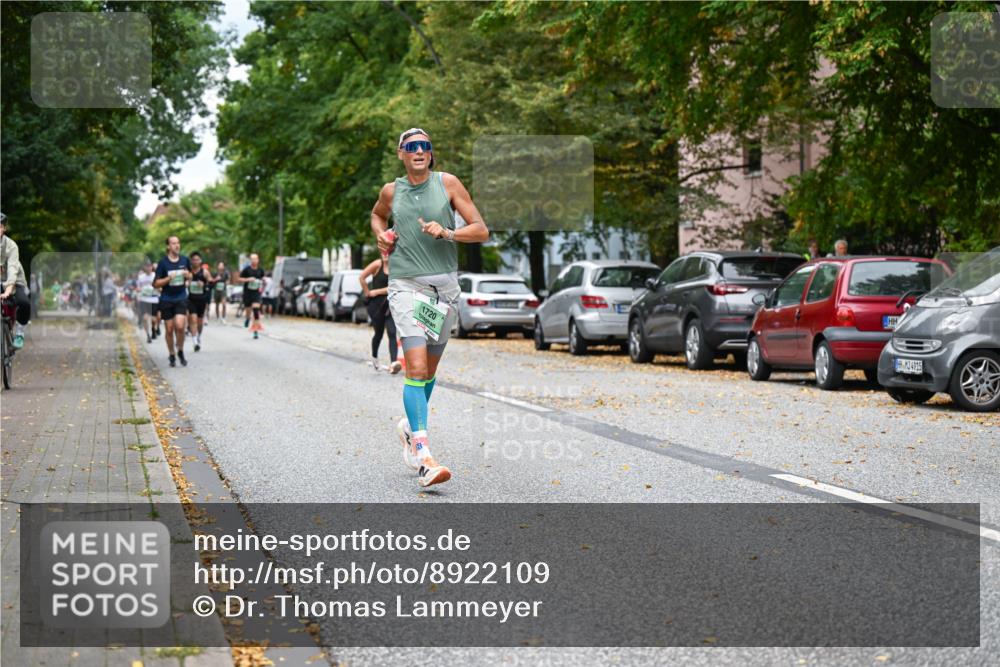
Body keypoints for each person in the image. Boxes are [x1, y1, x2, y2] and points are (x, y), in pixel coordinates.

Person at [370, 127, 490, 488]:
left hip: (443, 290)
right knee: (416, 365)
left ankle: (409, 427)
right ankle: (423, 455)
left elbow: (481, 230)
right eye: (411, 147)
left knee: (429, 371)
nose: (418, 151)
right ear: (401, 154)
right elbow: (378, 215)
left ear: (431, 154)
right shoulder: (392, 191)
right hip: (406, 285)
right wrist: (382, 235)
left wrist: (448, 233)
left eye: (424, 146)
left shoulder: (448, 184)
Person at [153, 235, 192, 367]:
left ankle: (180, 350)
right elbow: (156, 284)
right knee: (169, 329)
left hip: (181, 297)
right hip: (167, 299)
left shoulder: (185, 260)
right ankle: (171, 353)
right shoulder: (163, 263)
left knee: (180, 326)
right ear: (168, 246)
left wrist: (188, 275)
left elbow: (190, 275)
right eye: (173, 243)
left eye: (178, 243)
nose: (177, 245)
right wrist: (168, 279)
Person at [360, 255, 401, 373]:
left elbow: (394, 287)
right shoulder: (377, 264)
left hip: (390, 304)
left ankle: (394, 363)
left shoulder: (396, 266)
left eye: (388, 252)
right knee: (378, 333)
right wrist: (367, 292)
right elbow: (362, 277)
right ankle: (374, 358)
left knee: (392, 332)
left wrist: (375, 291)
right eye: (383, 252)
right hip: (376, 306)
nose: (385, 254)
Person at [0, 213, 31, 349]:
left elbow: (12, 269)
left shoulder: (11, 246)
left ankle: (19, 333)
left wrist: (7, 290)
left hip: (15, 281)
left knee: (24, 303)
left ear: (4, 228)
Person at [186, 252, 213, 351]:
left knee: (200, 321)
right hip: (191, 299)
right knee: (193, 319)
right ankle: (194, 342)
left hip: (202, 299)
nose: (195, 261)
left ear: (200, 261)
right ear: (191, 261)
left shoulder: (205, 272)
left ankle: (198, 336)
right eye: (194, 259)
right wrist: (186, 283)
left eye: (197, 259)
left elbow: (211, 284)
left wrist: (204, 285)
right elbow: (183, 282)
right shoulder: (188, 272)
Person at [238, 253, 265, 339]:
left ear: (258, 260)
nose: (254, 261)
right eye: (252, 259)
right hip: (247, 293)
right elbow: (239, 279)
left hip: (256, 293)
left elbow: (262, 279)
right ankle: (247, 318)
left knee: (256, 310)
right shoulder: (246, 270)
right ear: (250, 260)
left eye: (255, 259)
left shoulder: (261, 270)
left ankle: (255, 331)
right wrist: (248, 279)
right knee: (248, 311)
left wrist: (262, 283)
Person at [136, 262, 158, 343]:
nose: (148, 268)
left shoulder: (155, 276)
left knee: (154, 319)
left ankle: (153, 328)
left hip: (154, 299)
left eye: (150, 266)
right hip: (144, 299)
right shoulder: (141, 277)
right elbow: (138, 287)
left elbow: (159, 286)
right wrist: (138, 291)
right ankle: (148, 335)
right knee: (145, 318)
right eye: (146, 266)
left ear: (152, 267)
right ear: (144, 267)